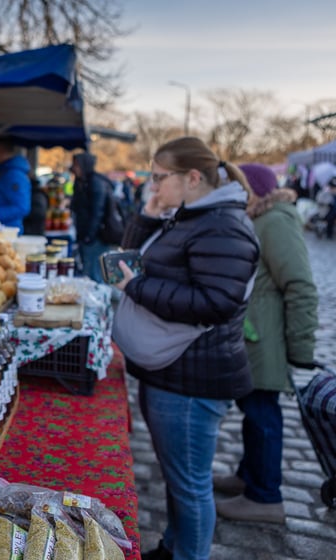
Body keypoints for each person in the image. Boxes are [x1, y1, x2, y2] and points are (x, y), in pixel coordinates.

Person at [113, 137, 260, 560]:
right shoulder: (191, 215)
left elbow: (216, 302)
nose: (153, 185)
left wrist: (137, 288)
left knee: (191, 485)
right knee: (177, 478)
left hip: (194, 378)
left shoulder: (221, 225)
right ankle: (173, 547)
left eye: (160, 177)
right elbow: (132, 259)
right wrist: (146, 217)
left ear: (192, 177)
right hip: (174, 372)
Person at [213, 163, 318, 524]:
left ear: (253, 190)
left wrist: (301, 348)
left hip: (265, 340)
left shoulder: (274, 222)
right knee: (253, 411)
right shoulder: (258, 219)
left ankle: (265, 498)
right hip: (252, 336)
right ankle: (249, 477)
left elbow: (300, 285)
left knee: (263, 416)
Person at [70, 152, 114, 282]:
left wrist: (90, 235)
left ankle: (98, 300)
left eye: (77, 165)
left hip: (97, 236)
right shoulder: (81, 182)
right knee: (87, 270)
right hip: (85, 234)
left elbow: (97, 212)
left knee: (94, 272)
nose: (74, 168)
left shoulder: (95, 183)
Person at [0, 137, 31, 233]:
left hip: (7, 231)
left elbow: (22, 207)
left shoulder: (14, 175)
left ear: (1, 151)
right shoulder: (5, 172)